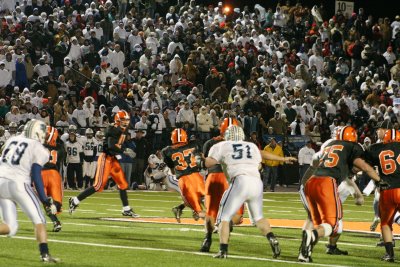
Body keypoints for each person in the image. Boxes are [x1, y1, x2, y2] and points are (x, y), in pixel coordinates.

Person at [204, 125, 296, 259]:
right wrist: (283, 159)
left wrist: (199, 160)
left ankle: (223, 250)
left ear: (226, 135)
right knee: (258, 218)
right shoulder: (251, 146)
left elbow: (208, 163)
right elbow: (261, 155)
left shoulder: (221, 146)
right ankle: (272, 239)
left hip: (240, 182)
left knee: (224, 218)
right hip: (256, 183)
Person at [298, 126, 388, 263]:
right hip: (327, 182)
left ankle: (304, 254)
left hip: (312, 181)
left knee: (317, 223)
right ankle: (313, 236)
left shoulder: (331, 144)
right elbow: (363, 166)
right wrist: (379, 180)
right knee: (333, 225)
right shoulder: (353, 147)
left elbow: (316, 161)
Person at [0, 120, 59, 262]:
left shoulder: (12, 139)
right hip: (19, 184)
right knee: (39, 219)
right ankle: (44, 255)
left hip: (1, 181)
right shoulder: (39, 148)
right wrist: (45, 200)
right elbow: (36, 174)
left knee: (10, 227)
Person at [69, 110, 139, 217]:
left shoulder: (123, 130)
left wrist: (124, 148)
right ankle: (75, 201)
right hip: (106, 158)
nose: (125, 123)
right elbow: (111, 145)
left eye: (126, 120)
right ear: (117, 120)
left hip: (113, 159)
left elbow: (119, 143)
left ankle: (126, 209)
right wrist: (124, 151)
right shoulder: (112, 129)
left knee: (122, 183)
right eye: (123, 121)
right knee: (98, 186)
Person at [199, 117, 244, 253]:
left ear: (221, 129)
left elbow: (204, 163)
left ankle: (207, 239)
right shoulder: (243, 144)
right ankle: (227, 222)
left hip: (214, 178)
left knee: (210, 211)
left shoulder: (211, 143)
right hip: (233, 178)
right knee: (237, 216)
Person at [365, 129, 400, 262]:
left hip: (387, 189)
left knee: (385, 224)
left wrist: (377, 180)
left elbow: (365, 165)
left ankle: (390, 254)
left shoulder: (376, 148)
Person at [162, 128, 205, 221]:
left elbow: (172, 169)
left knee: (197, 198)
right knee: (196, 199)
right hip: (181, 177)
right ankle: (195, 211)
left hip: (181, 176)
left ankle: (180, 208)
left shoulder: (167, 151)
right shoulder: (193, 144)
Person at [42, 126, 66, 232]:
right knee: (58, 204)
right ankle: (56, 219)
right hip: (54, 174)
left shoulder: (37, 145)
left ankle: (56, 222)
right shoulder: (60, 147)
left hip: (41, 174)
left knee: (45, 202)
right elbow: (61, 159)